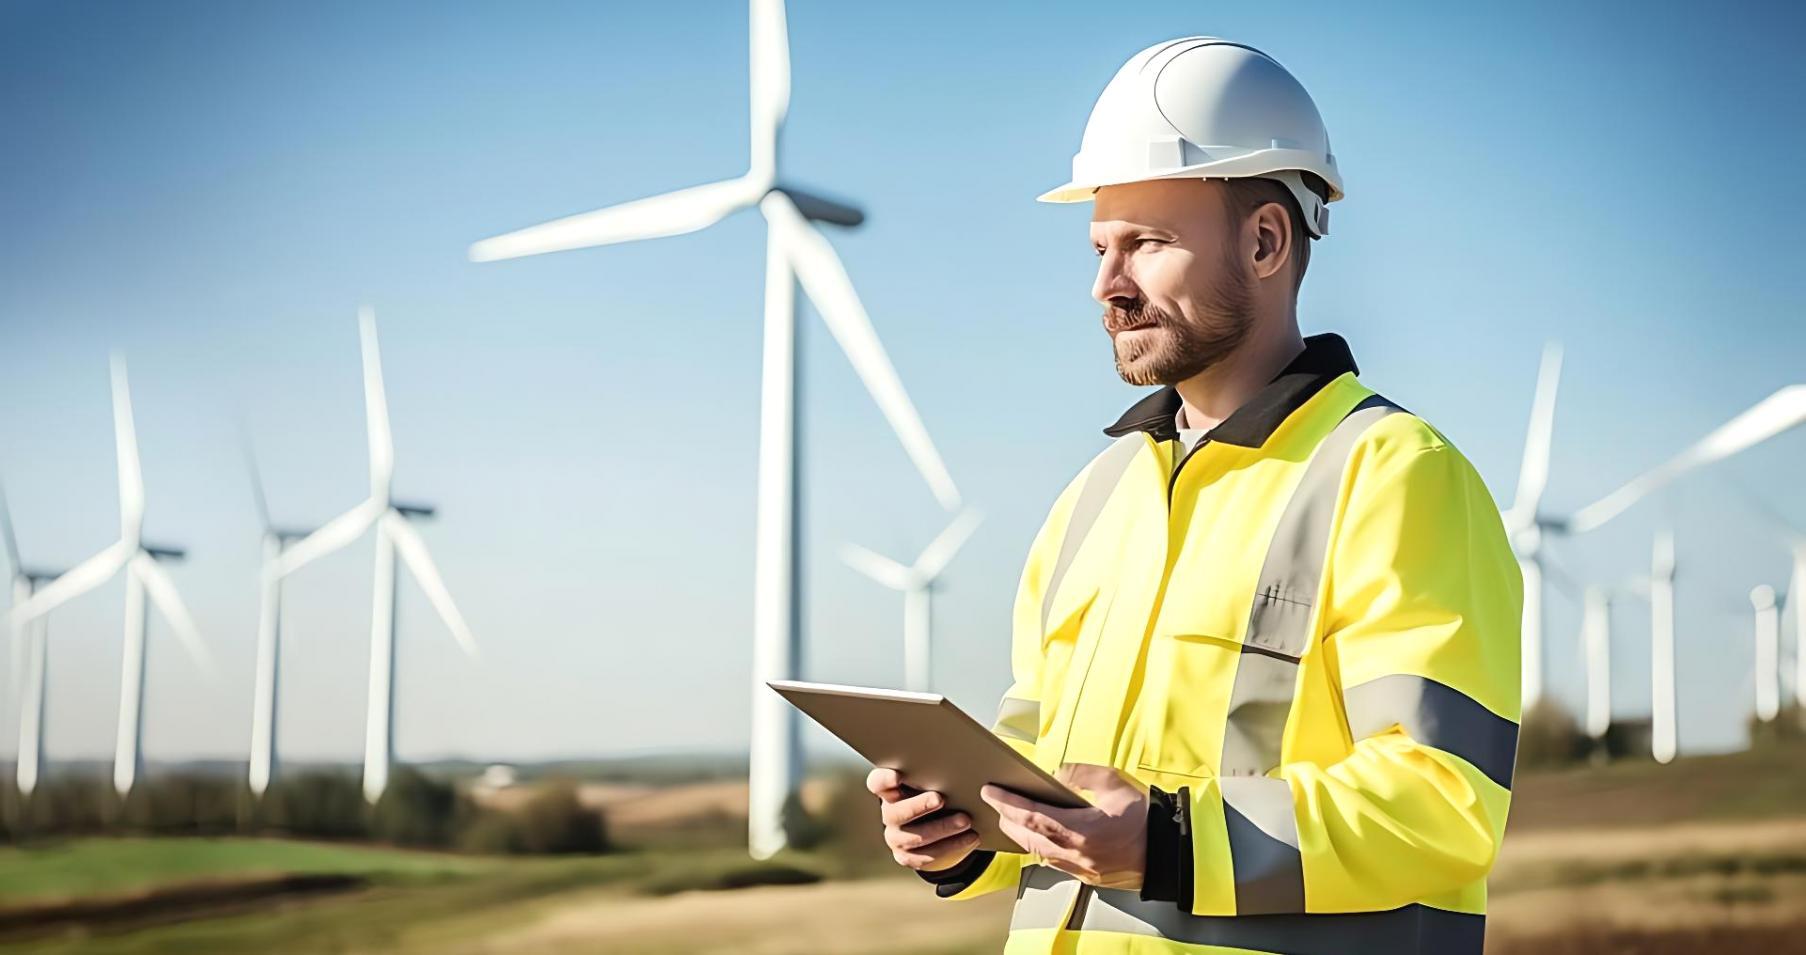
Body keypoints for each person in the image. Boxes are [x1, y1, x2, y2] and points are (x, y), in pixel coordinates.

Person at [866, 37, 1521, 954]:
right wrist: (965, 833)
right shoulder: (1093, 498)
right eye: (1099, 248)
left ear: (1265, 240)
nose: (1107, 286)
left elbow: (1444, 802)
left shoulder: (1393, 472)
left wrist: (1170, 840)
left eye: (1146, 245)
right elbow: (1046, 779)